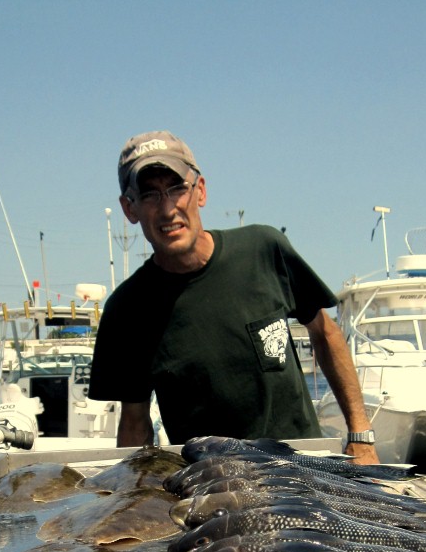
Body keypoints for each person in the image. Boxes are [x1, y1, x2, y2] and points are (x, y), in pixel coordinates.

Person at [88, 130, 379, 463]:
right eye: (150, 195)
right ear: (130, 208)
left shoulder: (265, 250)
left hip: (302, 475)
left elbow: (326, 335)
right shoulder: (127, 310)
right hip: (212, 491)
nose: (167, 209)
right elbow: (135, 423)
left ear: (200, 191)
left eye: (177, 189)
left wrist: (360, 435)